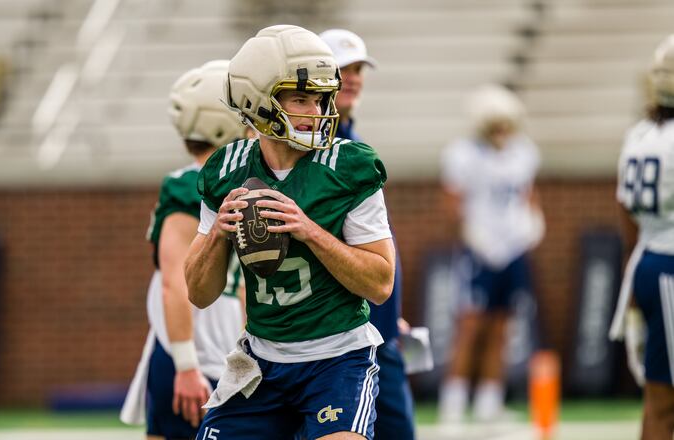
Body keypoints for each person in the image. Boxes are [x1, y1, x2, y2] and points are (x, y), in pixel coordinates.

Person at [184, 25, 395, 440]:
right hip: (261, 362)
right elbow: (198, 293)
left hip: (338, 359)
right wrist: (218, 235)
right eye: (301, 98)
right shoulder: (227, 172)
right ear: (258, 102)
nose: (316, 113)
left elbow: (380, 282)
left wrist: (309, 231)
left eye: (320, 99)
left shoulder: (347, 167)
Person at [120, 60, 247, 440]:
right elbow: (174, 283)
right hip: (192, 354)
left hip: (221, 350)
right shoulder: (189, 187)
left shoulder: (240, 180)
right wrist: (187, 365)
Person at [320, 28, 417, 440]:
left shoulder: (353, 142)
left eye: (359, 68)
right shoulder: (312, 150)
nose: (354, 77)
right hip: (341, 336)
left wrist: (392, 315)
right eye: (344, 68)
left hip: (380, 326)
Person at [438, 84, 545, 424]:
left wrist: (533, 223)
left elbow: (528, 195)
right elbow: (453, 203)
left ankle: (489, 402)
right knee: (470, 327)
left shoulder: (522, 152)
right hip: (480, 251)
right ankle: (453, 404)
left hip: (513, 250)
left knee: (503, 328)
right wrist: (471, 235)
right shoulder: (464, 154)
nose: (502, 131)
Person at [610, 34, 674, 440]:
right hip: (670, 265)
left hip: (650, 259)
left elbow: (625, 212)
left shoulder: (639, 134)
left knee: (659, 399)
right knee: (664, 403)